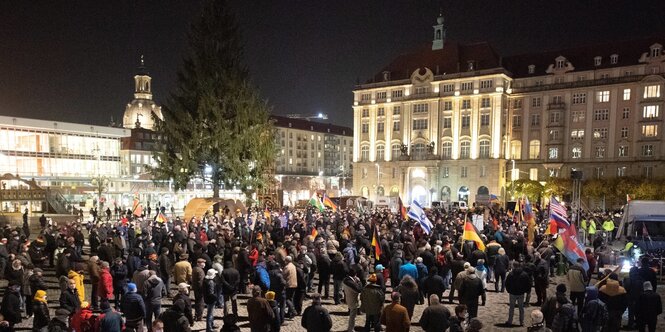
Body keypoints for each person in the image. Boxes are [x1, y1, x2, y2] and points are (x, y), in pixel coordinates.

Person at [505, 261, 530, 326]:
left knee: (511, 308)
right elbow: (528, 284)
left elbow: (507, 283)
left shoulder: (511, 274)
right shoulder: (524, 274)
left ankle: (510, 321)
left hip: (513, 293)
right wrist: (525, 290)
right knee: (521, 308)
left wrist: (509, 290)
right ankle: (522, 322)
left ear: (513, 266)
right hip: (521, 293)